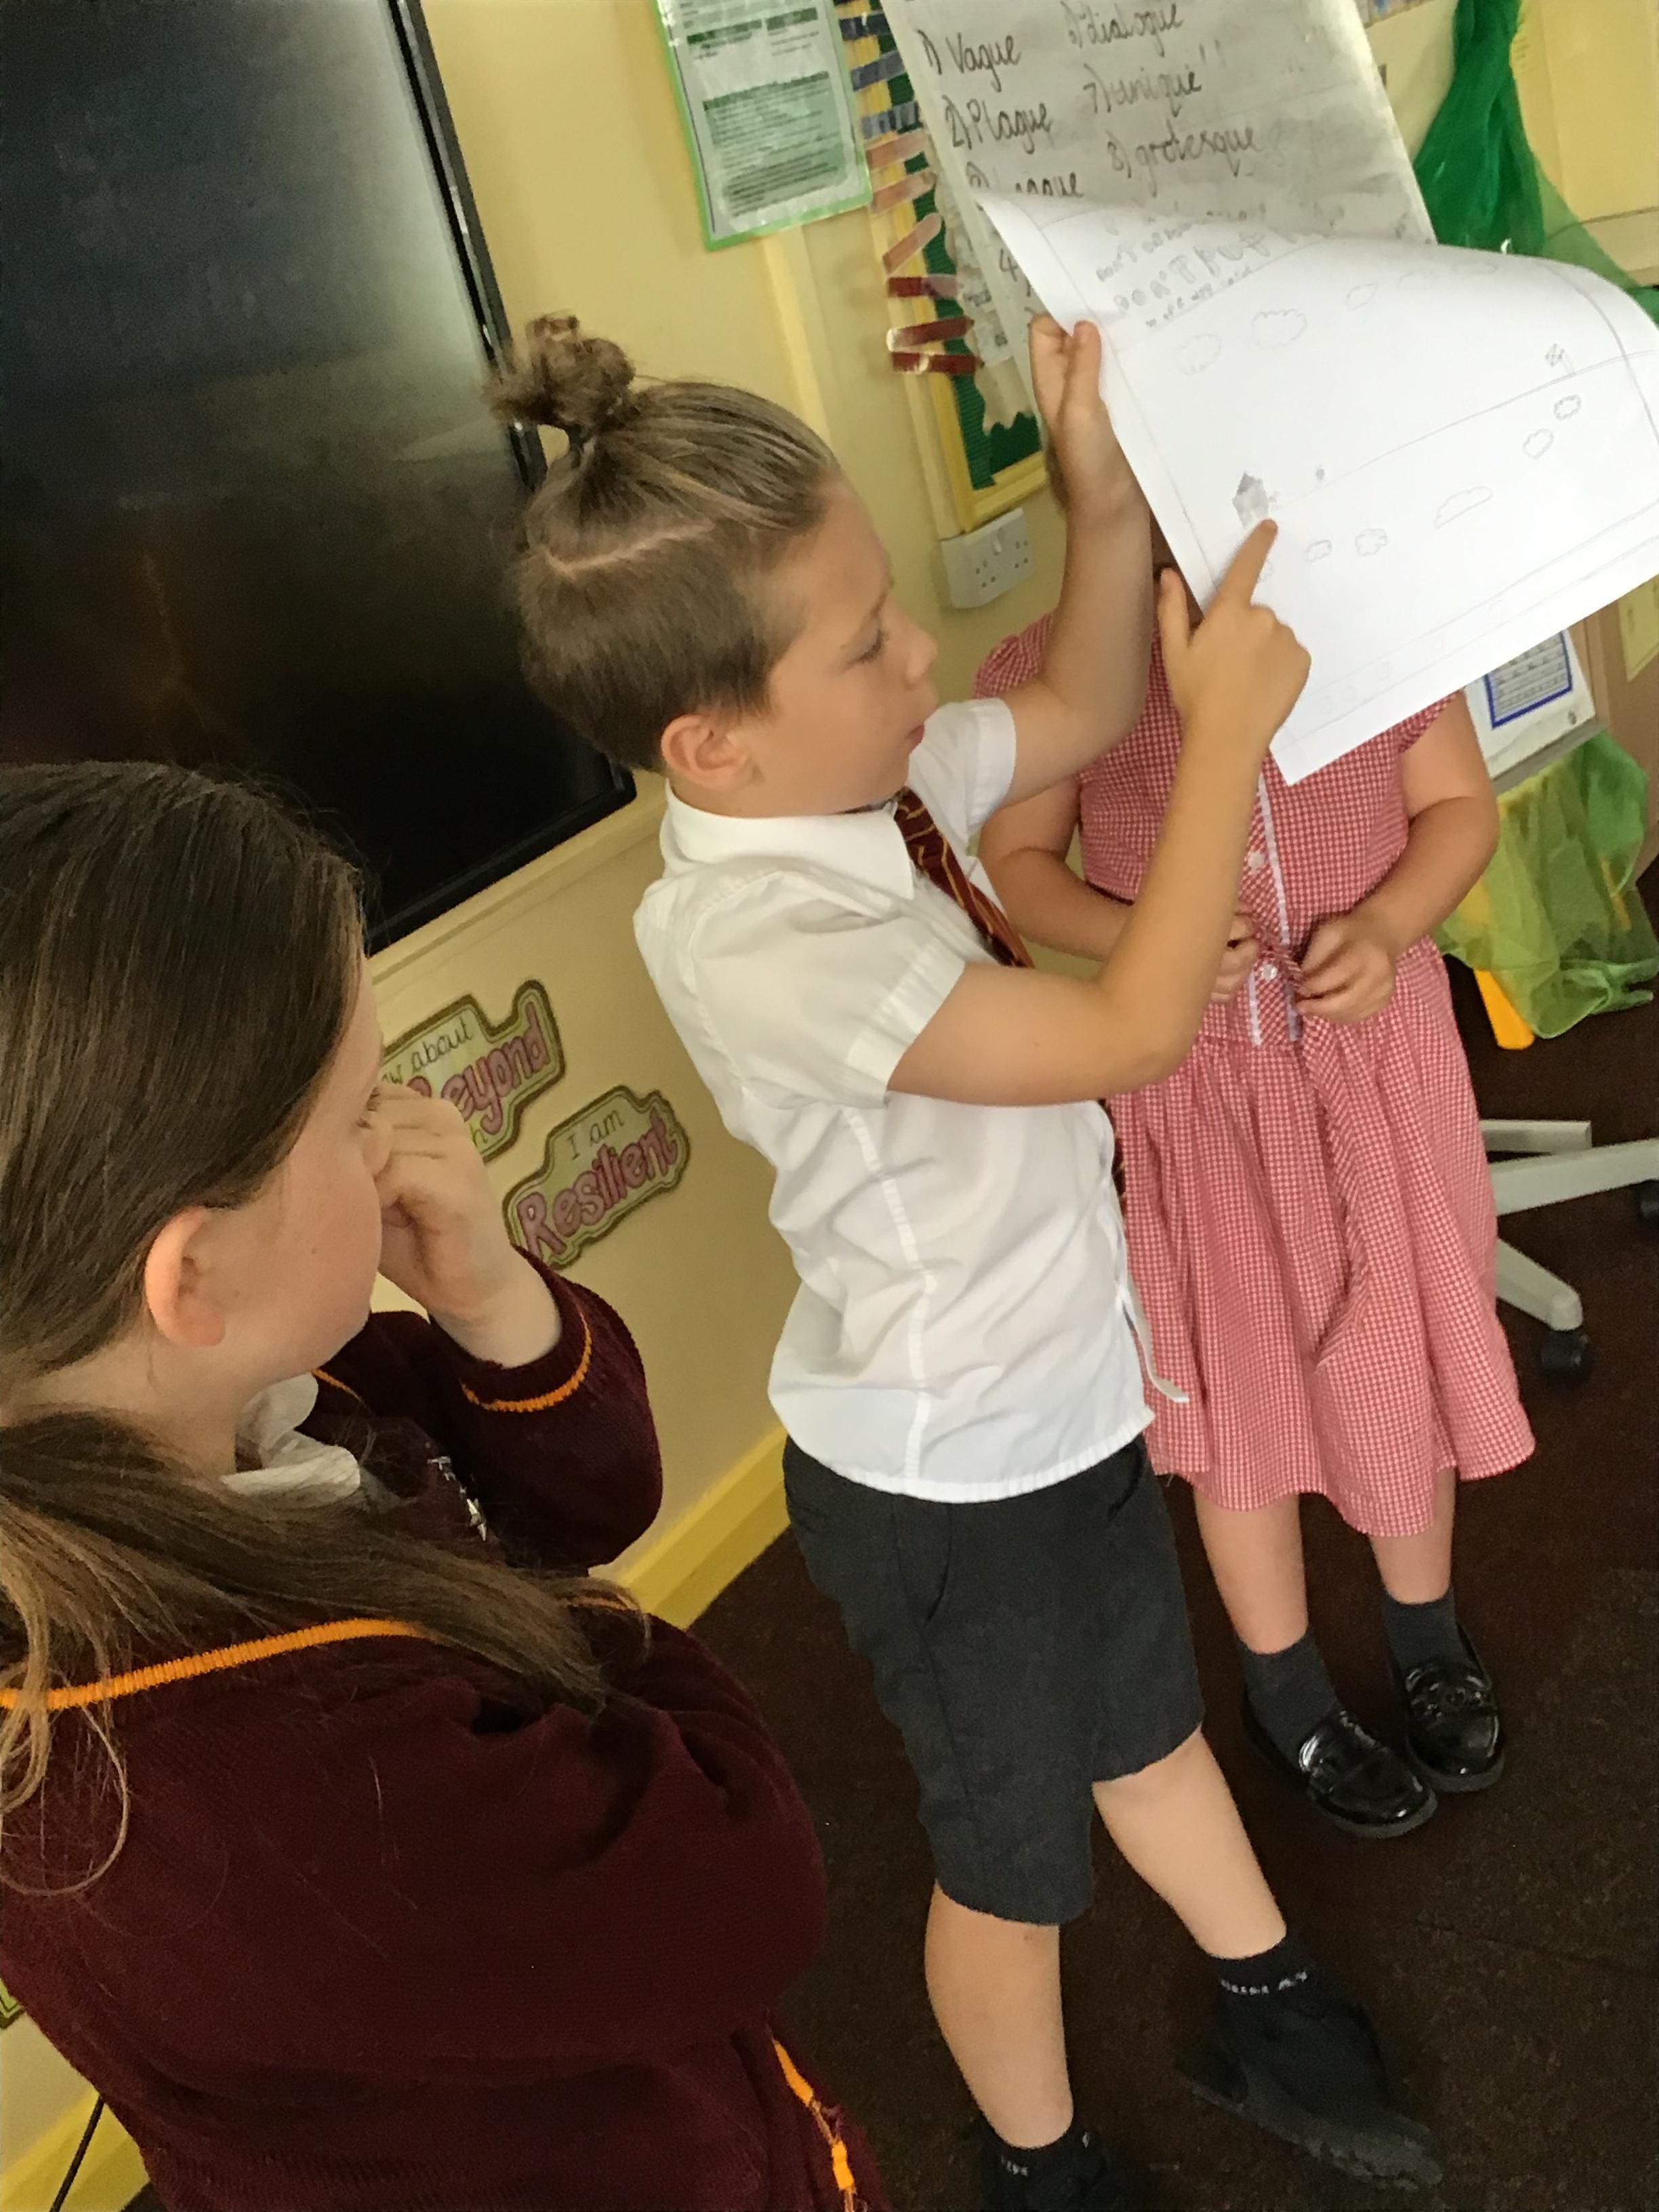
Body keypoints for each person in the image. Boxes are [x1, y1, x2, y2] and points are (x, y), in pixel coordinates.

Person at [491, 308, 1443, 2211]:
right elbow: (1125, 1032)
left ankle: (1264, 1994)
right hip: (945, 1481)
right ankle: (1039, 2165)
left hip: (1066, 1401)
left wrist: (1098, 502)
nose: (921, 652)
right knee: (1013, 1867)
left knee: (1147, 1724)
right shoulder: (763, 936)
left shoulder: (862, 778)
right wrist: (1226, 740)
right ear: (712, 745)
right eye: (866, 641)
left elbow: (1078, 699)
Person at [0, 762, 884, 2212]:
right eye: (359, 1106)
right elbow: (746, 1866)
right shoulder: (262, 1793)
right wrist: (533, 1606)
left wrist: (488, 1299)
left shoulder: (266, 1402)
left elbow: (591, 1499)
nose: (404, 1128)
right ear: (192, 1276)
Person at [976, 513, 1531, 1841]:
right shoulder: (1065, 672)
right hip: (1199, 1089)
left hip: (1373, 1073)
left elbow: (1460, 810)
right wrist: (1145, 940)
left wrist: (1386, 926)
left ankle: (1428, 1639)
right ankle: (1285, 1693)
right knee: (1238, 1396)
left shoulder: (1376, 629)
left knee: (1398, 1357)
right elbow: (1019, 868)